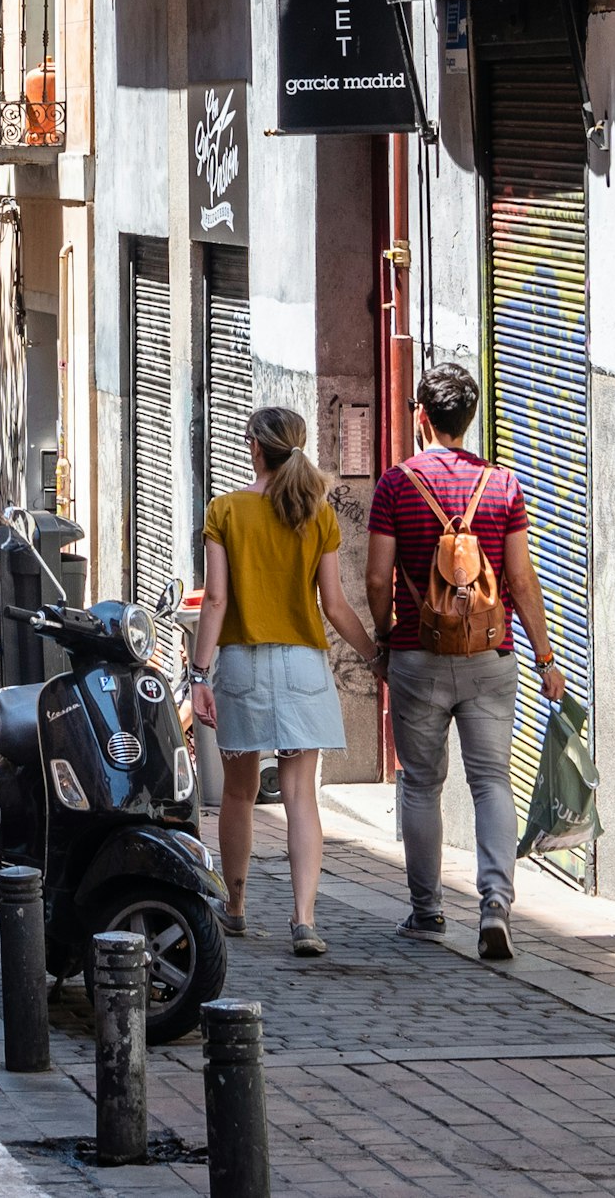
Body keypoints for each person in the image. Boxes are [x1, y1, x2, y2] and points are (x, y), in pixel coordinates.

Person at [365, 363, 568, 961]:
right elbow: (522, 581)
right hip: (490, 655)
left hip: (417, 656)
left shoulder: (396, 485)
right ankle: (495, 906)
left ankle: (427, 913)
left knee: (422, 785)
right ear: (469, 419)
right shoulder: (503, 486)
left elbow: (377, 576)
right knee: (491, 782)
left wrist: (385, 636)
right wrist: (547, 657)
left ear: (421, 417)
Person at [189, 404, 379, 958]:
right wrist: (372, 656)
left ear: (253, 445)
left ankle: (237, 907)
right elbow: (336, 604)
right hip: (303, 666)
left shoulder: (225, 510)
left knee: (240, 794)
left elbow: (217, 600)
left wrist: (199, 673)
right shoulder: (317, 514)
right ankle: (304, 920)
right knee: (300, 795)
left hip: (243, 665)